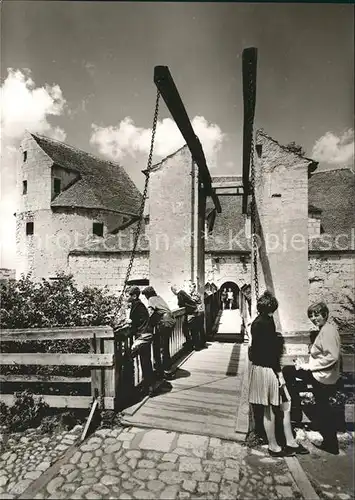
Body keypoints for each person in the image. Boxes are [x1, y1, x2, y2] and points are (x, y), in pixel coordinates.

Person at [248, 291, 309, 457]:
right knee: (274, 408)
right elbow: (271, 352)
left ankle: (288, 442)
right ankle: (274, 446)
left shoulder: (256, 322)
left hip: (260, 368)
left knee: (282, 405)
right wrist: (279, 373)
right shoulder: (268, 322)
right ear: (272, 307)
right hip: (268, 369)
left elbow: (254, 350)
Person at [283, 302, 341, 455]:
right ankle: (330, 442)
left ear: (325, 314)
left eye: (317, 315)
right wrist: (306, 364)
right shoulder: (326, 329)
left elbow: (332, 356)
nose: (314, 318)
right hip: (322, 374)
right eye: (312, 316)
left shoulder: (328, 331)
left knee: (324, 409)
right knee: (290, 371)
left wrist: (309, 367)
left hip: (322, 376)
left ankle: (331, 444)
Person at [142, 286, 176, 380]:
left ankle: (165, 371)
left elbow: (150, 312)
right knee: (164, 345)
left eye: (145, 296)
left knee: (162, 347)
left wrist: (144, 323)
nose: (146, 298)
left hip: (164, 321)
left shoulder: (151, 299)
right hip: (170, 320)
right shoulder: (159, 297)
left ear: (148, 294)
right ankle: (164, 369)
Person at [126, 286, 155, 396]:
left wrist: (129, 327)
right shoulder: (140, 304)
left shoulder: (136, 305)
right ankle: (149, 386)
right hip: (147, 334)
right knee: (146, 361)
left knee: (129, 356)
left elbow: (134, 324)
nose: (125, 297)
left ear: (134, 296)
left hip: (142, 336)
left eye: (127, 295)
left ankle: (132, 389)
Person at [171, 285, 201, 351]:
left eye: (172, 292)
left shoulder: (179, 294)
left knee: (186, 329)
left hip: (191, 313)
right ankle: (195, 345)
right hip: (194, 312)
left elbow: (180, 303)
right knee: (194, 330)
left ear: (174, 290)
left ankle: (191, 345)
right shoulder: (183, 292)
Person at [189, 282, 207, 348]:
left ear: (194, 287)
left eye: (191, 287)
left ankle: (200, 344)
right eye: (189, 287)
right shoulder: (192, 294)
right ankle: (201, 343)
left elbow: (192, 302)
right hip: (198, 313)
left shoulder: (196, 294)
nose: (190, 289)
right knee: (200, 328)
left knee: (198, 329)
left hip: (199, 313)